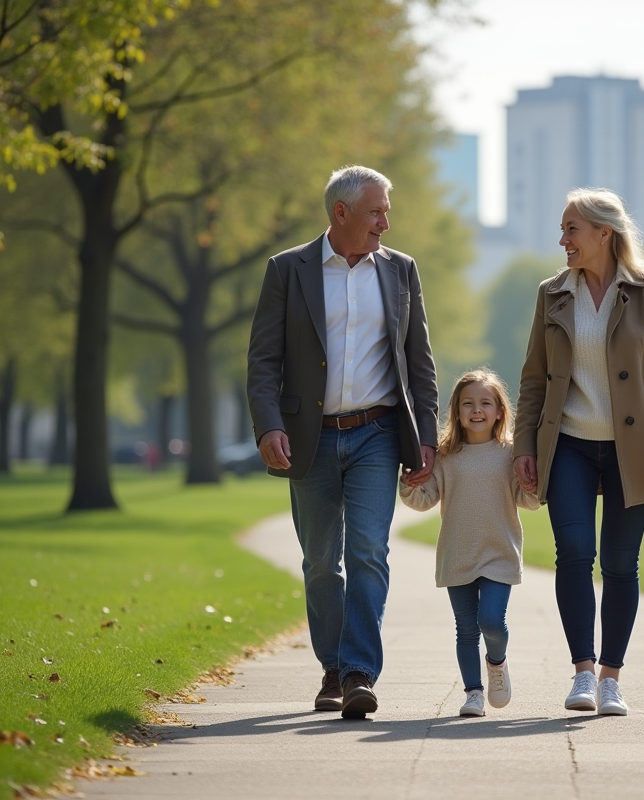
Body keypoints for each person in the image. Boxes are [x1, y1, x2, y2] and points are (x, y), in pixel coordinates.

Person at [247, 165, 438, 719]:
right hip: (309, 437)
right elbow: (263, 360)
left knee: (368, 553)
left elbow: (419, 362)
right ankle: (331, 666)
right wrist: (268, 425)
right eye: (377, 211)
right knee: (320, 561)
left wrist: (424, 436)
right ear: (342, 213)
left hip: (377, 434)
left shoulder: (401, 270)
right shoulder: (288, 270)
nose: (386, 221)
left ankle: (357, 672)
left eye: (386, 210)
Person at [513, 188, 644, 717]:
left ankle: (612, 677)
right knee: (573, 555)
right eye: (563, 229)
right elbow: (532, 380)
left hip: (632, 449)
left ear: (603, 234)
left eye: (572, 229)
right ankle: (583, 674)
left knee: (619, 564)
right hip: (567, 443)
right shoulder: (552, 294)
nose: (563, 239)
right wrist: (525, 446)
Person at [399, 369, 540, 717]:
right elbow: (423, 499)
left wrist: (536, 484)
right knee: (465, 628)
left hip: (499, 552)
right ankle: (473, 693)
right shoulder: (446, 455)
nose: (476, 410)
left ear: (499, 411)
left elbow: (528, 499)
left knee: (491, 621)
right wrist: (407, 481)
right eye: (468, 403)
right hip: (457, 553)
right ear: (457, 411)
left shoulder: (510, 454)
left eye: (485, 403)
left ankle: (497, 662)